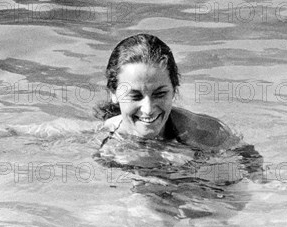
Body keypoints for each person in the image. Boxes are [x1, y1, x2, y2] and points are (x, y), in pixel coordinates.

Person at [95, 33, 239, 151]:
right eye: (135, 96)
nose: (148, 109)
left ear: (174, 91)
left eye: (159, 94)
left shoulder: (206, 133)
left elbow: (249, 161)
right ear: (113, 94)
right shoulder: (104, 140)